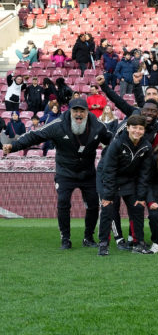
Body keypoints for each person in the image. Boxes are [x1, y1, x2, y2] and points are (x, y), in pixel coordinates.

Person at [3, 98, 110, 249]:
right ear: (69, 111)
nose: (78, 114)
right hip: (65, 172)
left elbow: (112, 140)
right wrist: (13, 146)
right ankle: (65, 239)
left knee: (93, 205)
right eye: (75, 111)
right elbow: (34, 136)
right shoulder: (57, 125)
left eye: (82, 111)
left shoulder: (98, 126)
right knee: (63, 203)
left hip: (88, 173)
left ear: (87, 112)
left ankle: (88, 238)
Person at [97, 114, 153, 256]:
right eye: (134, 127)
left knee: (138, 208)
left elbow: (144, 174)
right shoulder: (117, 143)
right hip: (108, 178)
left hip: (129, 180)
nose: (137, 131)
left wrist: (141, 196)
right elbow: (109, 170)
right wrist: (108, 195)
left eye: (141, 128)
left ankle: (138, 244)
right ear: (127, 128)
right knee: (108, 208)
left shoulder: (146, 146)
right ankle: (103, 245)